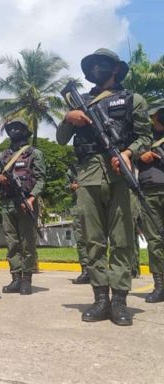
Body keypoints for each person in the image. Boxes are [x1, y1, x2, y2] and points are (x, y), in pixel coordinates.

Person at [56, 48, 151, 326]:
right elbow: (62, 139)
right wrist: (67, 118)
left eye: (102, 64)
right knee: (92, 240)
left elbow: (145, 136)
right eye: (93, 65)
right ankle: (100, 300)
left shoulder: (134, 99)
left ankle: (119, 301)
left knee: (122, 240)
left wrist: (129, 153)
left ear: (115, 69)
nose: (97, 68)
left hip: (119, 173)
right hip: (87, 175)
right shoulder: (80, 102)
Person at [0, 118, 46, 295]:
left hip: (27, 203)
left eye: (18, 128)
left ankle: (27, 279)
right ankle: (15, 278)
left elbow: (41, 180)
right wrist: (0, 179)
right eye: (11, 128)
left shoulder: (34, 153)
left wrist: (32, 198)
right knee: (12, 243)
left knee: (28, 243)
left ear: (25, 131)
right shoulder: (3, 156)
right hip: (8, 203)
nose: (14, 131)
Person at [137, 100, 164, 302]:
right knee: (154, 241)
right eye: (158, 114)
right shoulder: (143, 138)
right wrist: (141, 155)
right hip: (149, 194)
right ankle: (160, 285)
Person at [66, 167, 90, 284]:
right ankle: (86, 270)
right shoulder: (72, 170)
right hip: (78, 207)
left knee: (97, 239)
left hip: (94, 206)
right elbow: (66, 186)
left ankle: (99, 270)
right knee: (80, 239)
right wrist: (72, 187)